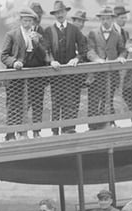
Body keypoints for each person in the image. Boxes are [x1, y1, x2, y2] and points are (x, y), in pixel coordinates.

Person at [0, 7, 49, 141]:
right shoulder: (12, 35)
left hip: (35, 75)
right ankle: (11, 134)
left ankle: (36, 131)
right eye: (25, 20)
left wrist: (37, 43)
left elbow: (45, 57)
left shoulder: (38, 36)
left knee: (37, 103)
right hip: (17, 75)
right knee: (15, 104)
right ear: (20, 21)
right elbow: (4, 56)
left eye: (30, 21)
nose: (27, 23)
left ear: (33, 22)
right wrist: (14, 62)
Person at [44, 1, 86, 136]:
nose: (59, 15)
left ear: (66, 13)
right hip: (56, 73)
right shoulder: (49, 31)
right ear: (54, 15)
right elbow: (45, 50)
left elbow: (83, 49)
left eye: (61, 12)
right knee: (56, 102)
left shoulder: (74, 30)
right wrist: (51, 61)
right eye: (57, 13)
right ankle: (55, 130)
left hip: (71, 74)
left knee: (70, 100)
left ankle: (69, 129)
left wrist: (77, 59)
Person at [86, 6, 127, 130]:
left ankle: (107, 124)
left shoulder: (117, 34)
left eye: (108, 18)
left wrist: (121, 57)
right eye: (103, 19)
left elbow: (123, 50)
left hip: (111, 73)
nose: (105, 21)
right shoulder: (93, 33)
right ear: (100, 20)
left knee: (108, 99)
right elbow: (89, 50)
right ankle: (93, 126)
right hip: (96, 73)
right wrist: (97, 59)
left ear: (112, 19)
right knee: (93, 100)